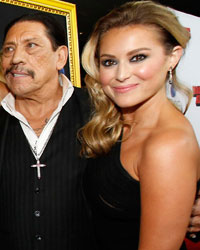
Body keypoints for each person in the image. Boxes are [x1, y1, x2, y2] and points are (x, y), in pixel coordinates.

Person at [79, 1, 200, 249]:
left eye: (138, 57)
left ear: (172, 57)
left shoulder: (168, 144)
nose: (122, 74)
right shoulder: (112, 120)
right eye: (109, 62)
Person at [0, 12, 95, 250]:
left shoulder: (99, 114)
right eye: (8, 49)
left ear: (60, 56)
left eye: (31, 46)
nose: (16, 58)